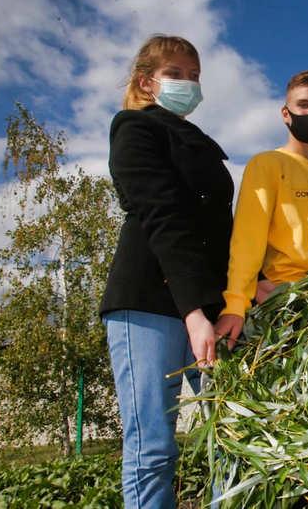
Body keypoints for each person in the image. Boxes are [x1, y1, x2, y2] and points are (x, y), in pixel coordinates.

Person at [101, 35, 233, 508]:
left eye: (195, 75)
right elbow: (162, 217)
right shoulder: (135, 129)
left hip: (209, 304)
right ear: (147, 81)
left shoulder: (203, 145)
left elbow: (220, 228)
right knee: (154, 447)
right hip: (151, 302)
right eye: (176, 74)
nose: (188, 83)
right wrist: (193, 311)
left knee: (232, 436)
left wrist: (245, 285)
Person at [215, 70, 308, 348]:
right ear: (285, 113)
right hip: (283, 301)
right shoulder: (267, 164)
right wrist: (235, 303)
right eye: (303, 105)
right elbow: (248, 238)